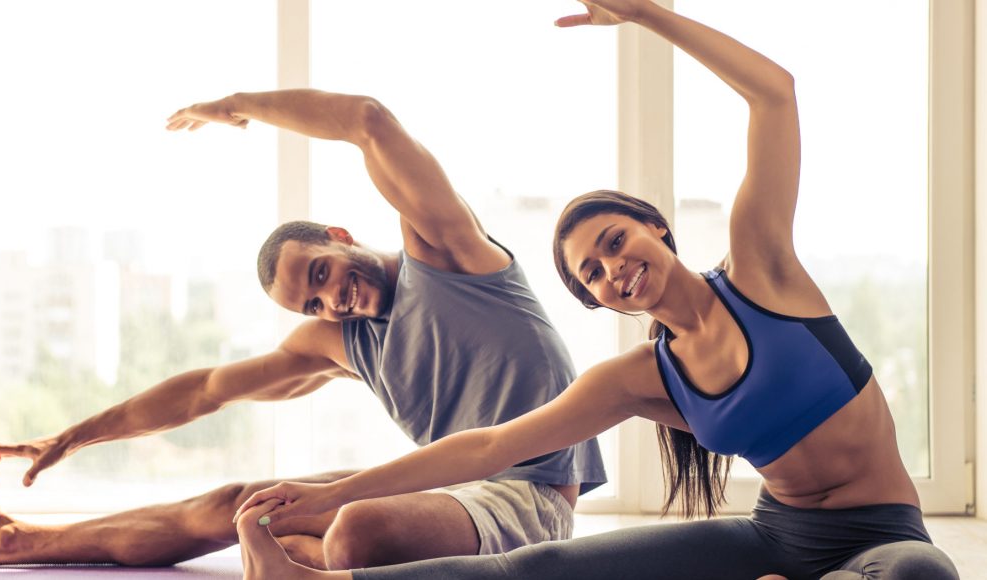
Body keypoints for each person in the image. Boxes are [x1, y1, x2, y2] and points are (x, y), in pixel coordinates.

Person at [231, 1, 962, 579]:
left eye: (615, 241)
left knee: (924, 573)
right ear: (603, 303)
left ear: (655, 226)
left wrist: (646, 13)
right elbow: (487, 447)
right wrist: (329, 498)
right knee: (539, 567)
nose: (612, 268)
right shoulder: (644, 377)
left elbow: (774, 95)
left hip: (883, 538)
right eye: (592, 274)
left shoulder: (764, 270)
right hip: (774, 538)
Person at [0, 82, 607, 569]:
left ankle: (293, 559)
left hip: (529, 495)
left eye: (321, 274)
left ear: (340, 237)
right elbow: (207, 389)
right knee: (236, 504)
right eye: (311, 305)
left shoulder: (447, 254)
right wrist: (72, 437)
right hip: (442, 486)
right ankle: (10, 542)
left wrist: (237, 104)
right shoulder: (342, 342)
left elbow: (368, 120)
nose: (332, 303)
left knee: (356, 528)